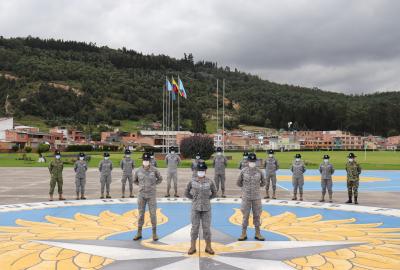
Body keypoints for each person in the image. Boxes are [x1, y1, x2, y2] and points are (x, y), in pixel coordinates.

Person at [185, 161, 217, 255]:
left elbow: (214, 193)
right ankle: (193, 246)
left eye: (202, 170)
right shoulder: (192, 181)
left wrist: (207, 199)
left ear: (205, 171)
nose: (201, 172)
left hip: (206, 209)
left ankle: (208, 247)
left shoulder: (210, 181)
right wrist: (194, 199)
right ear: (196, 171)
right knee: (194, 228)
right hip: (195, 208)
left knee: (206, 228)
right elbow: (186, 192)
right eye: (199, 170)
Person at [133, 152, 163, 241]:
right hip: (141, 195)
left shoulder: (155, 170)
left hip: (151, 195)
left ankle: (154, 233)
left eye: (147, 160)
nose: (145, 161)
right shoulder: (138, 171)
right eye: (144, 160)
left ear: (150, 161)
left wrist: (153, 185)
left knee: (153, 214)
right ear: (142, 160)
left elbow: (160, 179)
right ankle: (139, 233)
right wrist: (141, 186)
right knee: (141, 214)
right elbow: (135, 181)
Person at [237, 153, 266, 241]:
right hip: (246, 197)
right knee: (245, 216)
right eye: (251, 161)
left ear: (255, 162)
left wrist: (256, 187)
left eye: (253, 161)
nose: (252, 163)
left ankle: (258, 233)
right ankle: (243, 233)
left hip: (256, 197)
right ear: (248, 161)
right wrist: (246, 189)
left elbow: (263, 183)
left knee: (257, 215)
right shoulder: (243, 171)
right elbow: (238, 182)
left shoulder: (260, 171)